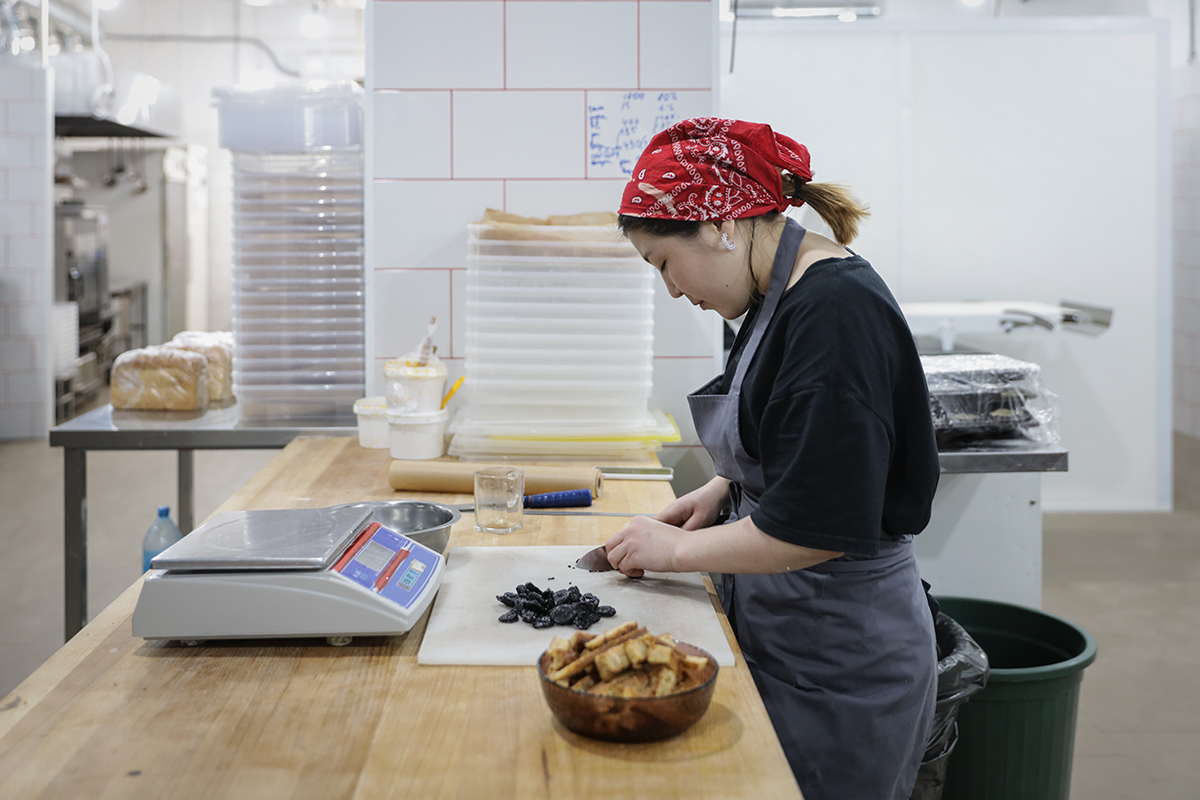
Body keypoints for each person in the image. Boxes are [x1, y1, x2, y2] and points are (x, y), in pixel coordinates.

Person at [603, 118, 939, 800]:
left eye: (664, 264)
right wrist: (724, 487)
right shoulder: (773, 295)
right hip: (791, 631)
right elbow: (803, 437)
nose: (671, 290)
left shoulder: (834, 313)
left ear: (721, 224)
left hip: (843, 660)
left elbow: (813, 526)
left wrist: (667, 551)